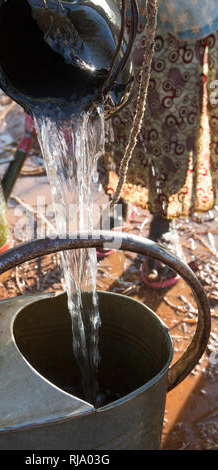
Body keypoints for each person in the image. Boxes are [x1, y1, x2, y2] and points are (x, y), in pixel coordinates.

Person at [98, 0, 218, 287]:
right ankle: (119, 199)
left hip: (183, 18)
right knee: (117, 113)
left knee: (175, 125)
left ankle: (163, 221)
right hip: (125, 14)